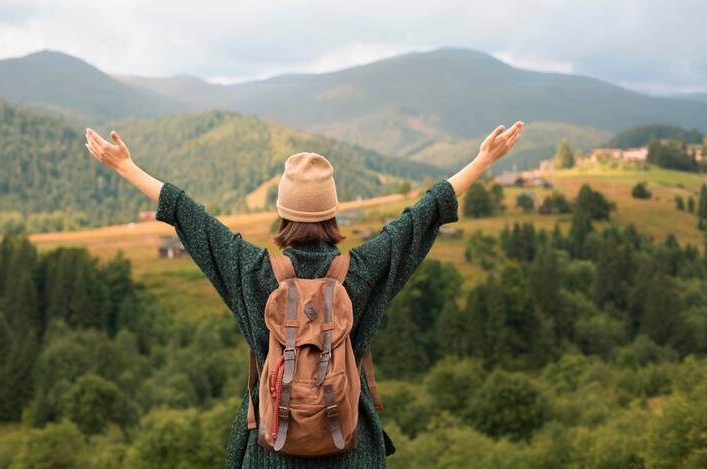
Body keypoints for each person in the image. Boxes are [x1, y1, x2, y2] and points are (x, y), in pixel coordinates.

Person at [85, 120, 524, 468]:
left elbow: (188, 215)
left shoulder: (251, 270)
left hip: (270, 446)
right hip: (352, 446)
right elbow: (425, 214)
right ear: (332, 212)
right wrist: (483, 160)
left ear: (282, 212)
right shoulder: (365, 268)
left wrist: (125, 166)